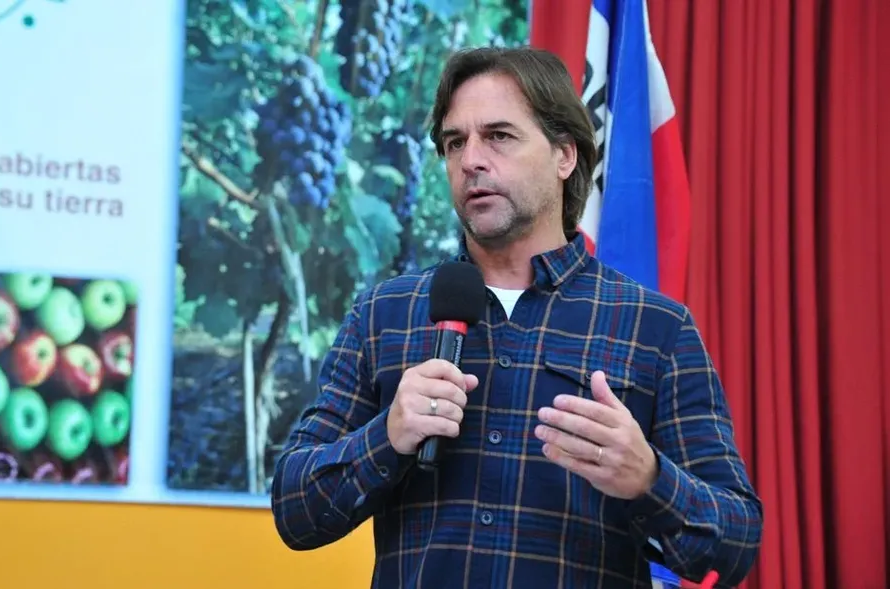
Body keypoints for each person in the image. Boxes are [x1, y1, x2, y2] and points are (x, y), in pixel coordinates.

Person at [270, 46, 763, 588]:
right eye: (455, 142)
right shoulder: (384, 313)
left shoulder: (657, 328)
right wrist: (387, 435)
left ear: (564, 156)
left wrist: (647, 478)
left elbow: (734, 544)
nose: (471, 160)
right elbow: (295, 511)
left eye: (499, 136)